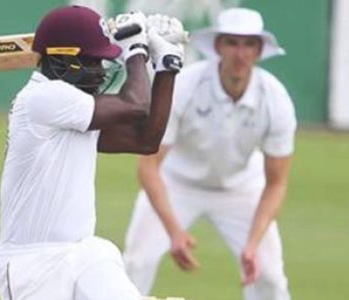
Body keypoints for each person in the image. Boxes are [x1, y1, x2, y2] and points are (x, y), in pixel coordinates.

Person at [0, 5, 186, 300]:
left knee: (101, 255)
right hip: (33, 266)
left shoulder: (74, 110)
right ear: (64, 58)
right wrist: (135, 50)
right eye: (93, 62)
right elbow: (135, 105)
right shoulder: (42, 98)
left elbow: (146, 140)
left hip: (85, 253)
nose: (99, 72)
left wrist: (167, 64)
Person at [123, 7, 296, 300]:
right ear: (218, 46)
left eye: (248, 44)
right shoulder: (185, 85)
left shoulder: (275, 99)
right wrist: (175, 232)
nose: (240, 53)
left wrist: (252, 244)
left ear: (258, 50)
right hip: (176, 182)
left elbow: (277, 183)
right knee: (136, 262)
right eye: (232, 42)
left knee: (269, 276)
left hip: (241, 188)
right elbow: (149, 166)